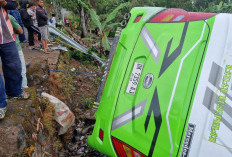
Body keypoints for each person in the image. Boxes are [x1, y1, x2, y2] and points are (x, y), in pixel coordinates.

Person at [0, 0, 30, 119]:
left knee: (14, 66)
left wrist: (3, 2)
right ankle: (1, 105)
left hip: (6, 35)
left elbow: (13, 5)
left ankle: (14, 92)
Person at [9, 14, 28, 89]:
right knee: (21, 69)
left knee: (9, 71)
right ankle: (23, 88)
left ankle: (13, 90)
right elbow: (20, 31)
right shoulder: (8, 17)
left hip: (4, 49)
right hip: (14, 46)